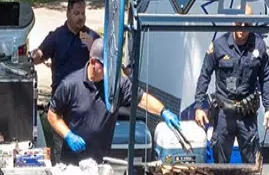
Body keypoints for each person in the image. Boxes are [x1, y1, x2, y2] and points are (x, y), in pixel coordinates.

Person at [48, 38, 180, 165]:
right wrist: (68, 135)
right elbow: (53, 115)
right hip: (72, 161)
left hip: (100, 160)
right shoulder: (70, 85)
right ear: (93, 62)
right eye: (107, 66)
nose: (111, 71)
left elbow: (143, 99)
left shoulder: (118, 85)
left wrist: (163, 111)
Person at [191, 6, 269, 163]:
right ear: (233, 21)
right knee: (220, 165)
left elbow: (266, 79)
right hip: (224, 114)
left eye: (247, 23)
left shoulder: (259, 46)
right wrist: (198, 106)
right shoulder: (218, 45)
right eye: (239, 22)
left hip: (247, 114)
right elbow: (204, 76)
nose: (242, 27)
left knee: (251, 166)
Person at [31, 0, 100, 92]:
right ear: (67, 13)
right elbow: (39, 55)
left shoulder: (89, 36)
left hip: (84, 95)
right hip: (61, 94)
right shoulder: (57, 36)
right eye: (76, 13)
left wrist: (93, 48)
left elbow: (104, 64)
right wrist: (35, 55)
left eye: (83, 13)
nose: (80, 17)